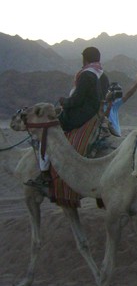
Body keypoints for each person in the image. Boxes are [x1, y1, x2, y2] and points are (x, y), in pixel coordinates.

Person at [26, 46, 110, 190]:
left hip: (80, 115)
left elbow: (77, 99)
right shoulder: (102, 75)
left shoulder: (86, 75)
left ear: (86, 58)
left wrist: (64, 101)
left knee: (47, 134)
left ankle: (44, 173)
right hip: (93, 113)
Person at [104, 69, 137, 137]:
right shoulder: (102, 106)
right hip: (110, 136)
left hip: (117, 135)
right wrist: (108, 102)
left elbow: (128, 95)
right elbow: (105, 118)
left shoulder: (115, 105)